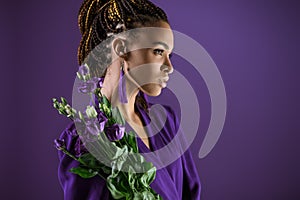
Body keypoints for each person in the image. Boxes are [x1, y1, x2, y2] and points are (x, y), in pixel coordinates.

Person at [57, 0, 201, 199]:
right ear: (121, 48)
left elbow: (190, 192)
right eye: (159, 51)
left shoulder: (166, 121)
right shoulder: (85, 140)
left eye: (170, 55)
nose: (169, 66)